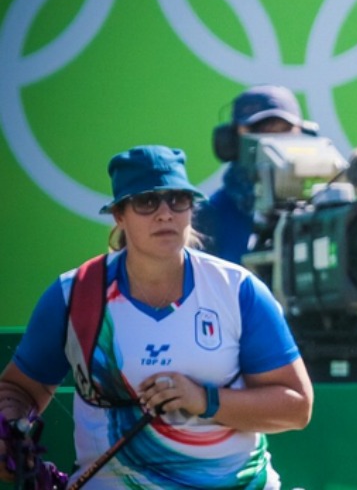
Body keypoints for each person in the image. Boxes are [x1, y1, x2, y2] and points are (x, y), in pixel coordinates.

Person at [0, 145, 313, 488]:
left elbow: (296, 408)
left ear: (191, 209)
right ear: (120, 215)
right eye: (147, 201)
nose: (165, 213)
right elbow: (18, 388)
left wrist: (205, 400)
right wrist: (10, 432)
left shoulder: (237, 290)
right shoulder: (74, 294)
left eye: (177, 199)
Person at [195, 84, 306, 264]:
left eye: (283, 131)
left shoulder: (325, 208)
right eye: (258, 131)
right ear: (230, 141)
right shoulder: (207, 216)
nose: (271, 144)